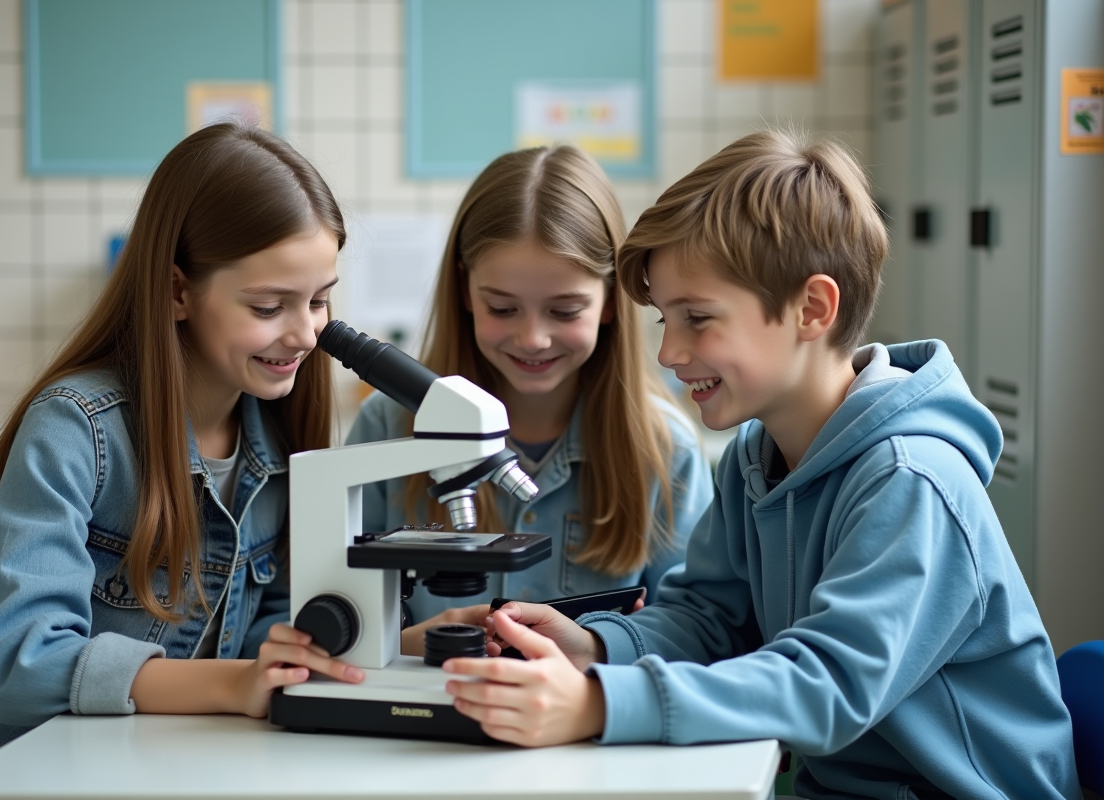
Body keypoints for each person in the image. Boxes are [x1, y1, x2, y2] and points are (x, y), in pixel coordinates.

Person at [441, 130, 1080, 799]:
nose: (670, 353)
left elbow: (827, 684)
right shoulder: (758, 454)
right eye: (665, 321)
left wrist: (602, 703)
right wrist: (596, 649)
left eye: (697, 318)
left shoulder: (910, 480)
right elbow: (710, 619)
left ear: (811, 309)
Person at [0, 124, 366, 798]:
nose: (304, 333)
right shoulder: (75, 427)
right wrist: (234, 684)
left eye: (319, 300)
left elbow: (267, 623)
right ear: (178, 291)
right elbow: (20, 664)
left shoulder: (278, 439)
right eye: (269, 306)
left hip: (139, 769)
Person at [344, 146, 711, 642]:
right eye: (502, 308)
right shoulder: (387, 427)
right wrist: (400, 642)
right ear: (465, 291)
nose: (533, 339)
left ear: (608, 300)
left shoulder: (667, 453)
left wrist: (604, 645)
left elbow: (691, 630)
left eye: (564, 311)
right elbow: (342, 611)